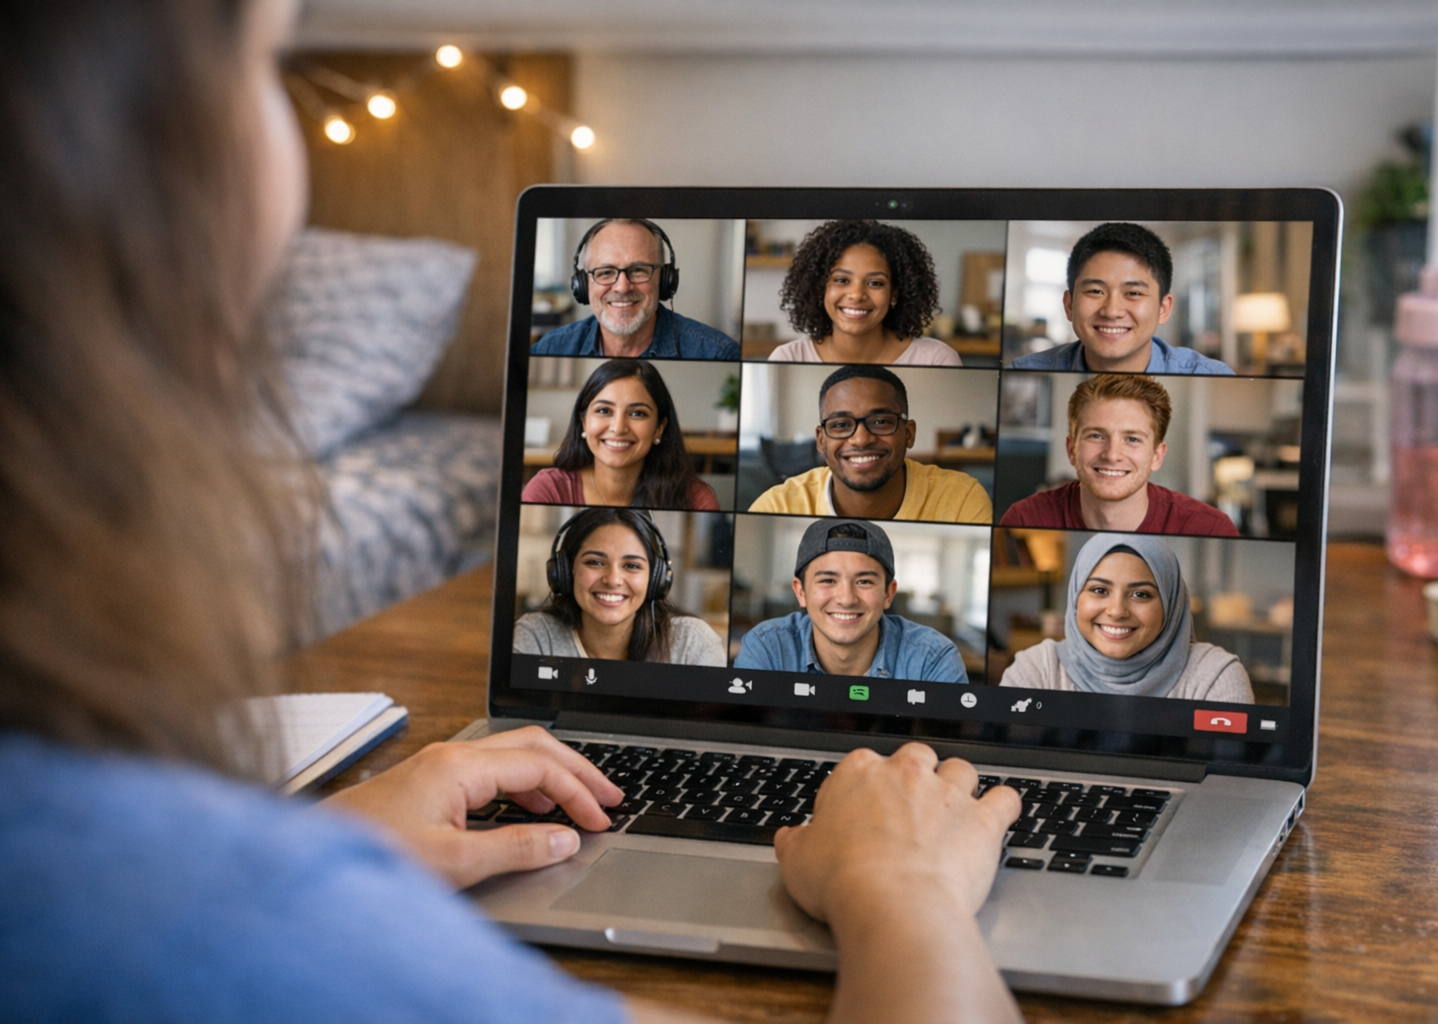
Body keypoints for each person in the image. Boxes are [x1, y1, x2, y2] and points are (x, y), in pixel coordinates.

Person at [0, 3, 1029, 1022]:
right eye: (268, 58)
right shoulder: (191, 914)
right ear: (146, 150)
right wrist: (905, 891)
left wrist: (330, 840)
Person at [999, 534, 1255, 703]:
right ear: (1076, 596)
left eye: (1141, 594)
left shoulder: (1214, 677)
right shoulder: (1036, 671)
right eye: (1099, 590)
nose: (1117, 610)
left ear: (1170, 604)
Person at [999, 374, 1239, 536]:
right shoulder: (1024, 519)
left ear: (1157, 455)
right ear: (1071, 449)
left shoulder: (1209, 528)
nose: (1112, 455)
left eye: (1132, 439)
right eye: (1096, 436)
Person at [749, 365, 993, 524]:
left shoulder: (961, 499)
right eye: (841, 424)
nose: (861, 439)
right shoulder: (775, 506)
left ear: (908, 434)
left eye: (880, 421)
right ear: (821, 441)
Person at [735, 520, 967, 683]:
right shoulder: (766, 647)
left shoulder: (933, 659)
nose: (846, 599)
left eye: (864, 582)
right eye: (827, 580)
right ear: (801, 592)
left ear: (889, 593)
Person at [1008, 223, 1234, 375]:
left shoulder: (1211, 374)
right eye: (1096, 291)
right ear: (1069, 305)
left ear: (1163, 309)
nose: (1112, 310)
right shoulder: (1023, 371)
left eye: (1133, 293)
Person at [514, 508, 726, 665]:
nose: (613, 579)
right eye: (595, 562)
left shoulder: (693, 644)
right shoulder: (536, 635)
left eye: (632, 565)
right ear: (565, 571)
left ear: (656, 579)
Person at [522, 359, 720, 510]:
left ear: (659, 428)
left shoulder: (696, 500)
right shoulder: (547, 491)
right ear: (583, 421)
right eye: (604, 411)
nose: (618, 428)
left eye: (637, 413)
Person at [532, 218, 740, 360]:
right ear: (583, 284)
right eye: (605, 272)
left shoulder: (718, 353)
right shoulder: (550, 347)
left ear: (665, 279)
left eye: (639, 270)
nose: (622, 287)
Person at [770, 220, 962, 366]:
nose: (856, 294)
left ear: (894, 293)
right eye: (842, 280)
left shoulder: (936, 359)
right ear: (820, 287)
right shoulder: (788, 358)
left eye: (875, 283)